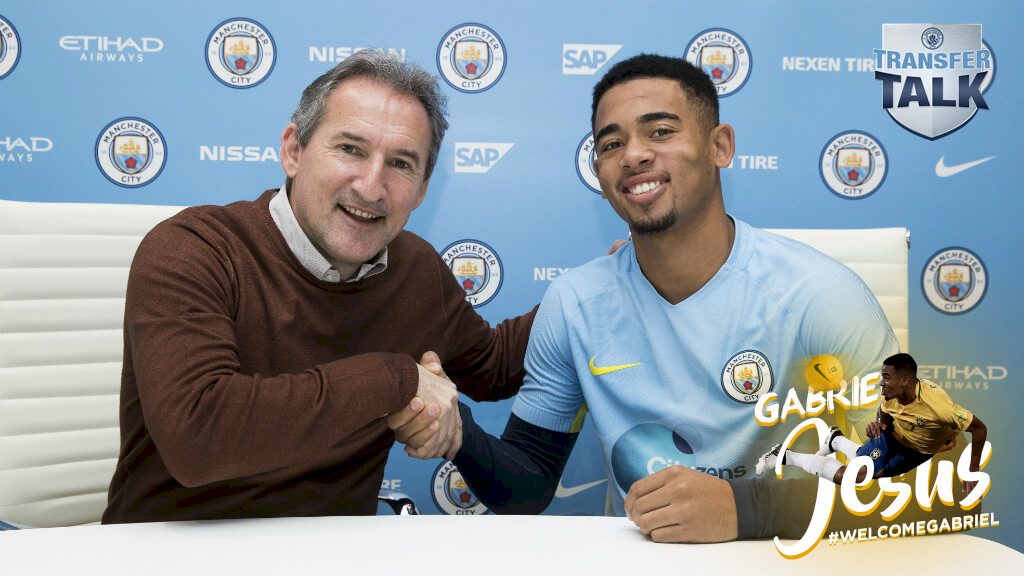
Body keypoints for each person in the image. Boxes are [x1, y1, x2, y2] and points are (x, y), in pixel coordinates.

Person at [427, 53, 899, 542]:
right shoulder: (574, 303)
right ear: (599, 170)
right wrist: (455, 431)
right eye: (612, 144)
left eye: (660, 132)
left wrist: (741, 511)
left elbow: (918, 485)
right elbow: (528, 485)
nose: (633, 155)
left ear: (720, 146)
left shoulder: (820, 293)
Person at [102, 51, 536, 523]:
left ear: (422, 188)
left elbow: (493, 368)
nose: (371, 187)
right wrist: (397, 380)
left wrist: (614, 278)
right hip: (167, 554)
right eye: (350, 149)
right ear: (293, 151)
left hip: (337, 557)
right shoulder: (194, 249)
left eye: (401, 163)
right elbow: (198, 437)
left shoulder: (417, 269)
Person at [757, 353, 987, 492]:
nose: (881, 383)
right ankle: (784, 456)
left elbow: (979, 429)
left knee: (862, 460)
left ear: (905, 380)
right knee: (856, 476)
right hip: (893, 442)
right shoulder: (892, 394)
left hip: (918, 453)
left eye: (886, 377)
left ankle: (835, 440)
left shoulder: (940, 408)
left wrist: (971, 471)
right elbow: (883, 412)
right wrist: (880, 425)